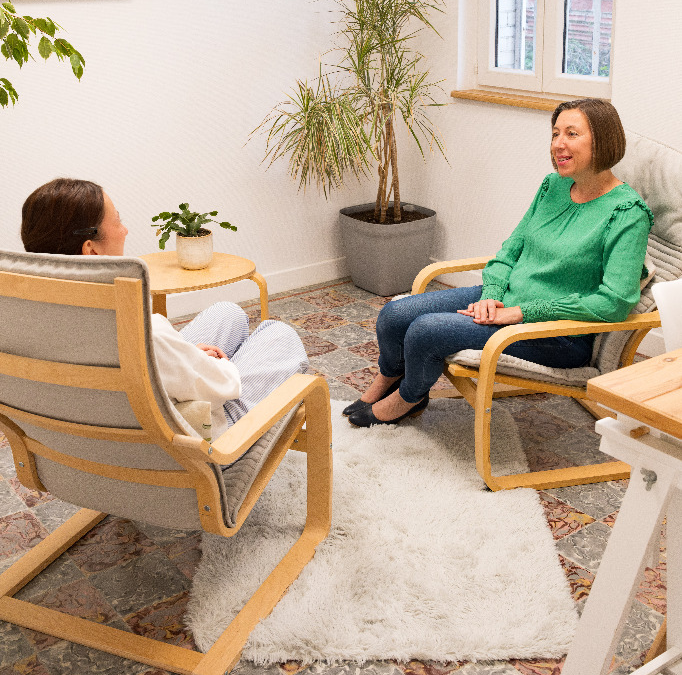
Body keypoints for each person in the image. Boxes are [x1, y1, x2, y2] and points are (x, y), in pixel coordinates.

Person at [346, 98, 653, 427]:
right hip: (507, 301)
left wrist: (521, 313)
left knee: (426, 331)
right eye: (555, 134)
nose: (558, 144)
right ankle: (389, 379)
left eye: (572, 134)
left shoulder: (627, 213)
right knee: (394, 316)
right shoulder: (554, 186)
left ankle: (408, 398)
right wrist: (492, 294)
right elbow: (511, 250)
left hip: (556, 334)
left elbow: (615, 302)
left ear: (603, 140)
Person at [21, 178, 308, 439]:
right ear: (91, 249)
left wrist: (183, 357)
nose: (125, 230)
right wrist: (216, 365)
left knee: (228, 313)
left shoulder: (24, 319)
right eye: (118, 220)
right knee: (279, 335)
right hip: (191, 444)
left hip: (97, 434)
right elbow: (223, 387)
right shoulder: (136, 329)